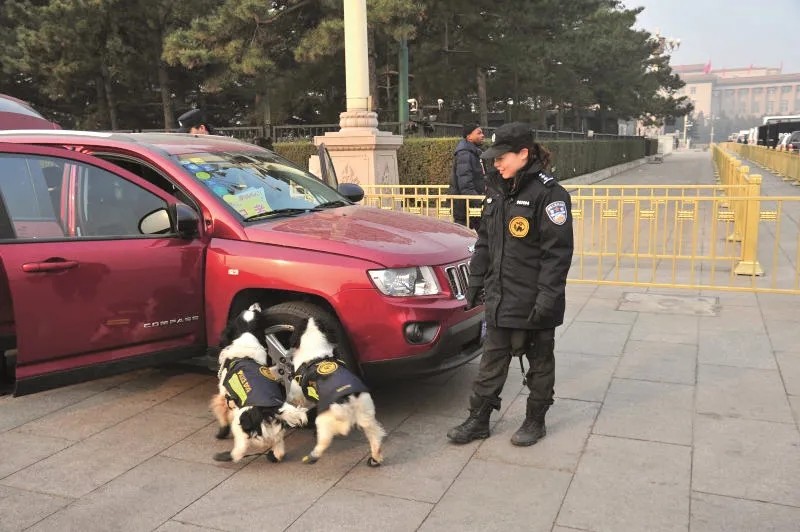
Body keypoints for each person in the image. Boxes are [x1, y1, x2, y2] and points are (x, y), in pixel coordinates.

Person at [447, 122, 574, 447]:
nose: (496, 163)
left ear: (523, 154)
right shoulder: (497, 192)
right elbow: (485, 242)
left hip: (535, 300)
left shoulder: (550, 195)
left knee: (540, 364)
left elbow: (556, 255)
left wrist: (547, 299)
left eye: (502, 157)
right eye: (493, 157)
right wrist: (476, 281)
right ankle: (479, 420)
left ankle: (535, 420)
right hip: (501, 297)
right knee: (491, 361)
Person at [448, 123, 486, 231]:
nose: (482, 135)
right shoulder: (465, 154)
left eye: (482, 132)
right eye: (479, 133)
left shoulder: (474, 152)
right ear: (469, 137)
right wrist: (481, 201)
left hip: (471, 204)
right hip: (464, 207)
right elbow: (465, 185)